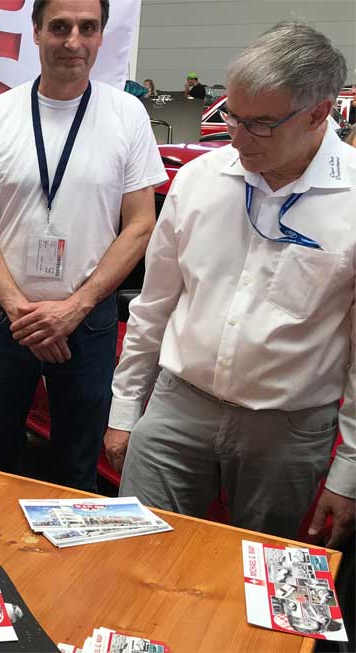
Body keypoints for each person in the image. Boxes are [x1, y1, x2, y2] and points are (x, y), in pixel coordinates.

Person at [105, 22, 356, 547]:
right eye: (232, 117)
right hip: (177, 405)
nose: (237, 139)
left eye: (260, 124)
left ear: (318, 113)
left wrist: (349, 469)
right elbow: (153, 307)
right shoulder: (201, 180)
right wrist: (126, 411)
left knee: (257, 580)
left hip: (286, 430)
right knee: (135, 552)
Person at [0, 0, 167, 491]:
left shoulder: (127, 115)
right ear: (36, 32)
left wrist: (73, 308)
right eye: (60, 27)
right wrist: (21, 310)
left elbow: (139, 224)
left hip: (86, 321)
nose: (74, 41)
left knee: (79, 462)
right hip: (8, 319)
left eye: (87, 28)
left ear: (101, 35)